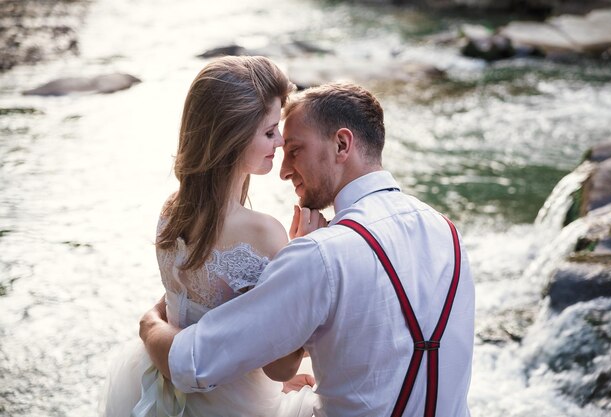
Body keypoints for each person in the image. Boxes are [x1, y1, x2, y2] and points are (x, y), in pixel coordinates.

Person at [140, 82, 475, 416]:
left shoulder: (320, 255)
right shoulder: (447, 233)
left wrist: (151, 324)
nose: (284, 171)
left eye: (295, 150)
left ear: (342, 144)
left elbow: (193, 363)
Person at [99, 56, 317, 417]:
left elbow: (191, 303)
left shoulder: (171, 210)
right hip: (232, 403)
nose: (279, 141)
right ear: (231, 138)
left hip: (157, 376)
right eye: (268, 132)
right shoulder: (263, 233)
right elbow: (279, 366)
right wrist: (301, 258)